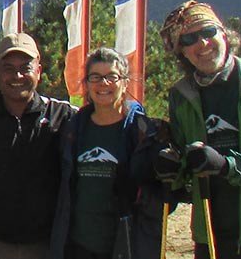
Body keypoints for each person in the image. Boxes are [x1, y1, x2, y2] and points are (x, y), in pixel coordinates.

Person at [156, 1, 241, 259]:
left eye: (208, 32)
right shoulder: (181, 95)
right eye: (189, 39)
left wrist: (226, 165)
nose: (202, 43)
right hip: (209, 231)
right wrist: (171, 167)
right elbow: (185, 159)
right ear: (181, 51)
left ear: (224, 34)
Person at [0, 32, 75, 259]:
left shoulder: (64, 116)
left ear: (39, 70)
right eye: (8, 68)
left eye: (25, 67)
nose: (17, 76)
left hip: (50, 246)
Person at [49, 48, 172, 259]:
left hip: (128, 244)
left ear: (125, 82)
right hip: (78, 246)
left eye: (112, 76)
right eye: (95, 77)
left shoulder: (146, 133)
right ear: (86, 84)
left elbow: (166, 198)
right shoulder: (72, 130)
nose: (103, 83)